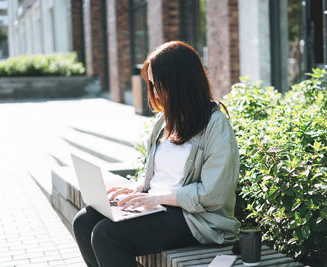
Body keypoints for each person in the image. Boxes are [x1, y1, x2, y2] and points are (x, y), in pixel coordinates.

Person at [72, 41, 240, 267]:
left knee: (106, 235)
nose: (155, 93)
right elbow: (154, 170)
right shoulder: (164, 121)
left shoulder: (215, 125)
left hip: (194, 218)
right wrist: (138, 188)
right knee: (83, 221)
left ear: (180, 83)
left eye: (158, 85)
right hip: (156, 207)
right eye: (151, 84)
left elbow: (214, 194)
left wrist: (156, 198)